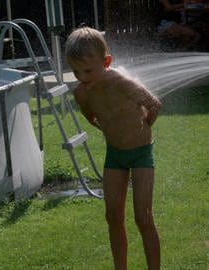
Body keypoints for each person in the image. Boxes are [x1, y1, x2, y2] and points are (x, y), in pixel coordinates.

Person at [65, 27, 162, 269]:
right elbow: (90, 115)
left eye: (88, 70)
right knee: (113, 216)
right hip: (115, 156)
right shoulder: (81, 93)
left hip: (141, 153)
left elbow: (154, 104)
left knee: (143, 216)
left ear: (106, 61)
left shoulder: (121, 82)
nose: (82, 77)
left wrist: (143, 127)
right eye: (76, 71)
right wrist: (107, 129)